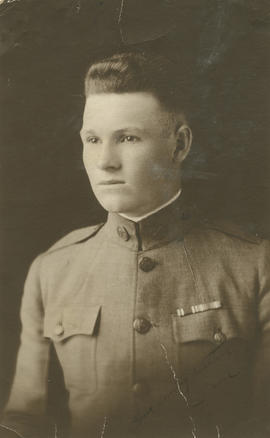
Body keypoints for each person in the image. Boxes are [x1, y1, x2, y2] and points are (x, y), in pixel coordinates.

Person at [1, 49, 270, 438]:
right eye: (92, 139)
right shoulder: (52, 270)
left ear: (179, 146)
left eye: (127, 137)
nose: (104, 161)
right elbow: (24, 421)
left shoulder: (254, 265)